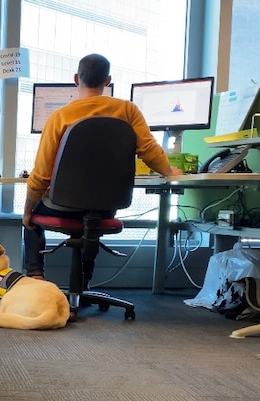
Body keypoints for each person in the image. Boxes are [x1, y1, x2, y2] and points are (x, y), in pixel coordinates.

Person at [22, 53, 182, 281]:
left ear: (77, 79)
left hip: (62, 206)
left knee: (31, 219)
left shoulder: (59, 117)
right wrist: (169, 171)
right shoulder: (128, 111)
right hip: (107, 208)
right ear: (107, 81)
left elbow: (41, 176)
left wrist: (28, 210)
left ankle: (35, 279)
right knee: (93, 208)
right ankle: (85, 279)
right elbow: (148, 150)